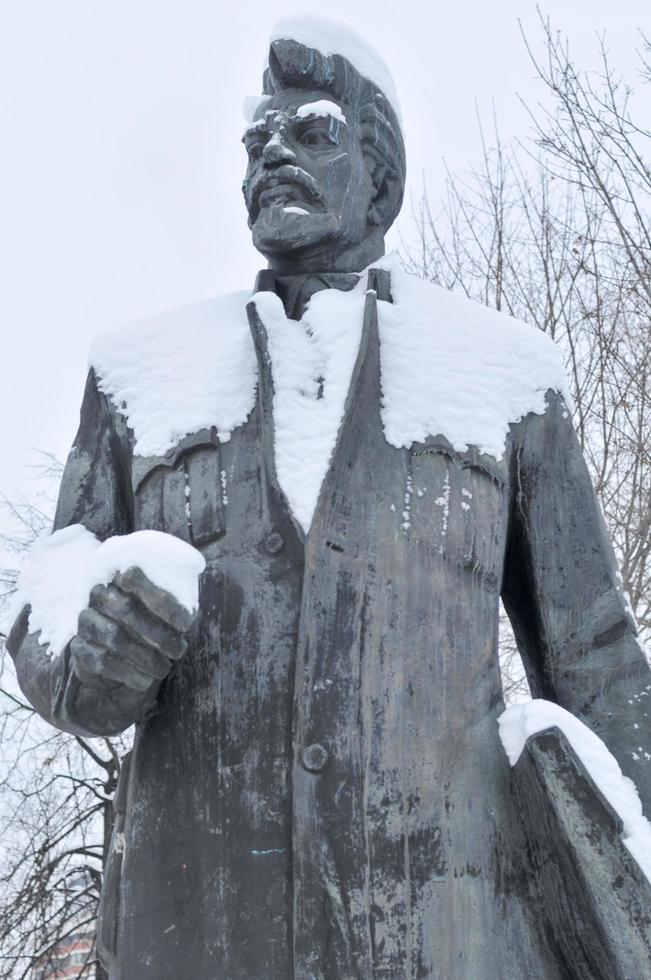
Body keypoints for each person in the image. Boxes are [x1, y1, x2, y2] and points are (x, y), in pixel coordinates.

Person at [8, 17, 651, 979]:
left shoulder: (508, 379)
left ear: (379, 176)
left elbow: (595, 656)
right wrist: (80, 645)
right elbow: (50, 582)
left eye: (311, 133)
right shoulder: (139, 376)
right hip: (197, 929)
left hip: (449, 933)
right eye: (258, 139)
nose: (274, 152)